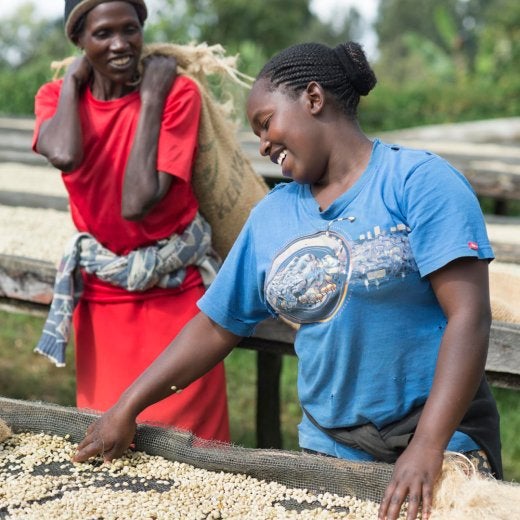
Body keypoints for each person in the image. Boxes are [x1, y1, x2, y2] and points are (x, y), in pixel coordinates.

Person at [72, 40, 502, 520]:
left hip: (436, 437)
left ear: (313, 99)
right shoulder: (273, 214)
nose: (263, 145)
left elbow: (469, 316)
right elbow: (217, 325)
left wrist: (427, 447)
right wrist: (129, 405)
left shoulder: (417, 182)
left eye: (266, 123)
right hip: (330, 447)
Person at [32, 0, 230, 443]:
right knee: (109, 445)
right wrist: (72, 84)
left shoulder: (178, 95)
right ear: (79, 40)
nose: (120, 44)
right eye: (102, 34)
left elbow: (138, 200)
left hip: (175, 299)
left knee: (191, 450)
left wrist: (152, 98)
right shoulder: (54, 99)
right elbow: (63, 154)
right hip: (103, 299)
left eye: (130, 29)